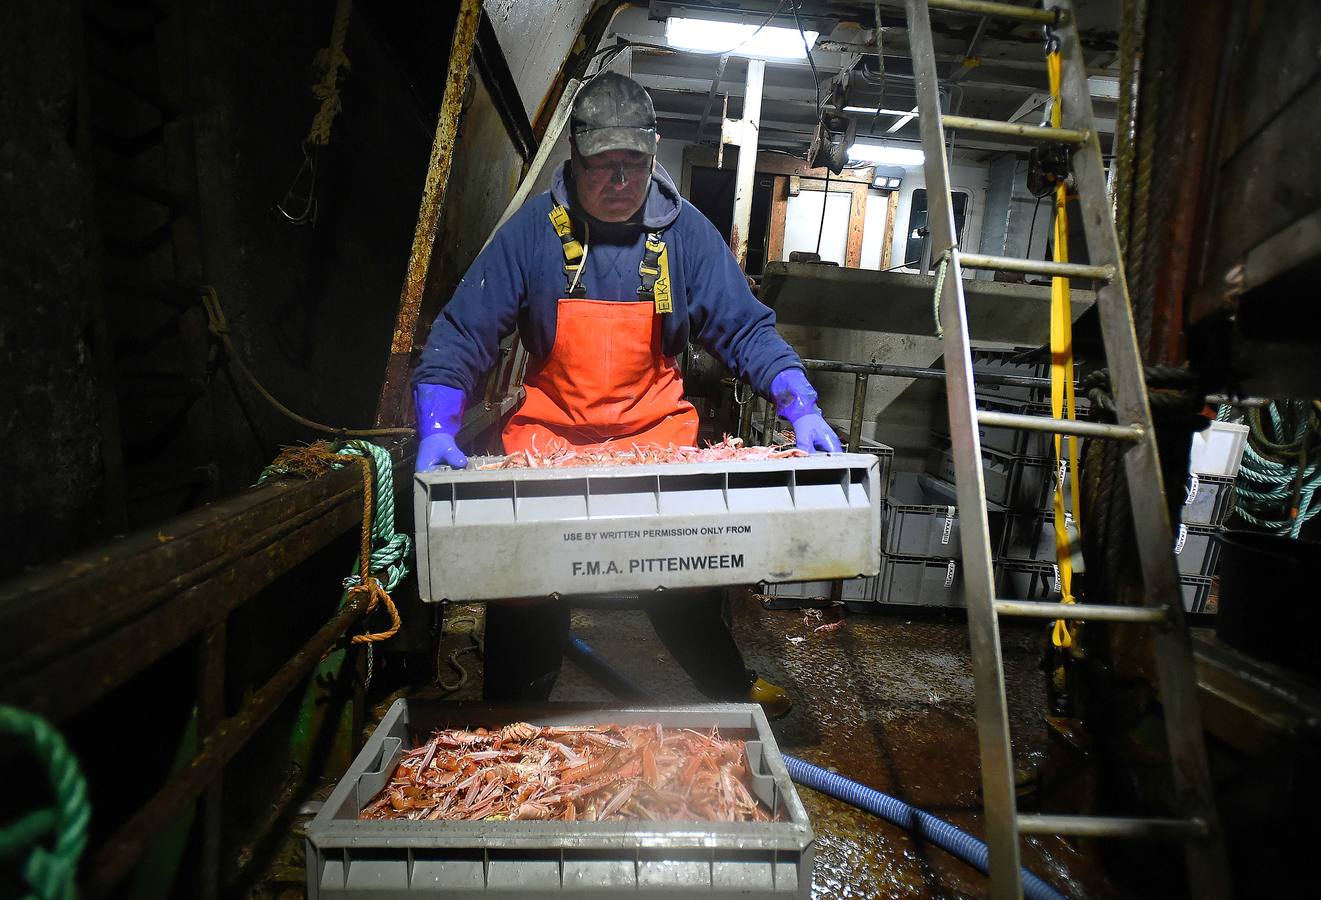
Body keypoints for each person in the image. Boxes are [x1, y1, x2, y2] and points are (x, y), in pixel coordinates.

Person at [411, 72, 840, 715]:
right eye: (602, 167)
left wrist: (798, 403)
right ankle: (510, 711)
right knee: (528, 583)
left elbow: (745, 327)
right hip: (550, 441)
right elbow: (464, 330)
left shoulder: (686, 236)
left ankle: (729, 691)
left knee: (687, 578)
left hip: (654, 438)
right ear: (574, 160)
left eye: (633, 167)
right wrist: (438, 426)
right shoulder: (534, 232)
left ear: (654, 153)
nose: (617, 183)